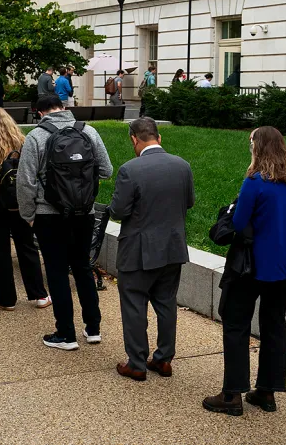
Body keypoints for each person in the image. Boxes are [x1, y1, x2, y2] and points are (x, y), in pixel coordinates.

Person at [203, 126, 286, 415]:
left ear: (257, 147)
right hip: (283, 265)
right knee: (274, 325)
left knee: (236, 324)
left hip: (249, 266)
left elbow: (239, 223)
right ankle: (267, 391)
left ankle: (232, 395)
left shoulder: (254, 181)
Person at [18, 95, 113, 350]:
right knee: (82, 267)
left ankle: (65, 334)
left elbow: (25, 181)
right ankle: (93, 329)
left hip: (49, 215)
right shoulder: (89, 132)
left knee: (57, 272)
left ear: (39, 113)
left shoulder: (36, 137)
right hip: (84, 213)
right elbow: (106, 170)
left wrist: (28, 215)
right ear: (64, 108)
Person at [109, 117, 194, 381]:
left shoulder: (129, 170)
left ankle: (136, 363)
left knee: (134, 305)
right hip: (172, 248)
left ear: (134, 139)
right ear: (159, 137)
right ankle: (164, 359)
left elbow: (118, 210)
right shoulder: (182, 166)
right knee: (166, 304)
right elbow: (188, 202)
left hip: (138, 251)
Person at [0, 108, 50, 310]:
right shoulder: (24, 143)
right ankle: (39, 295)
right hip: (20, 202)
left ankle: (7, 299)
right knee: (27, 247)